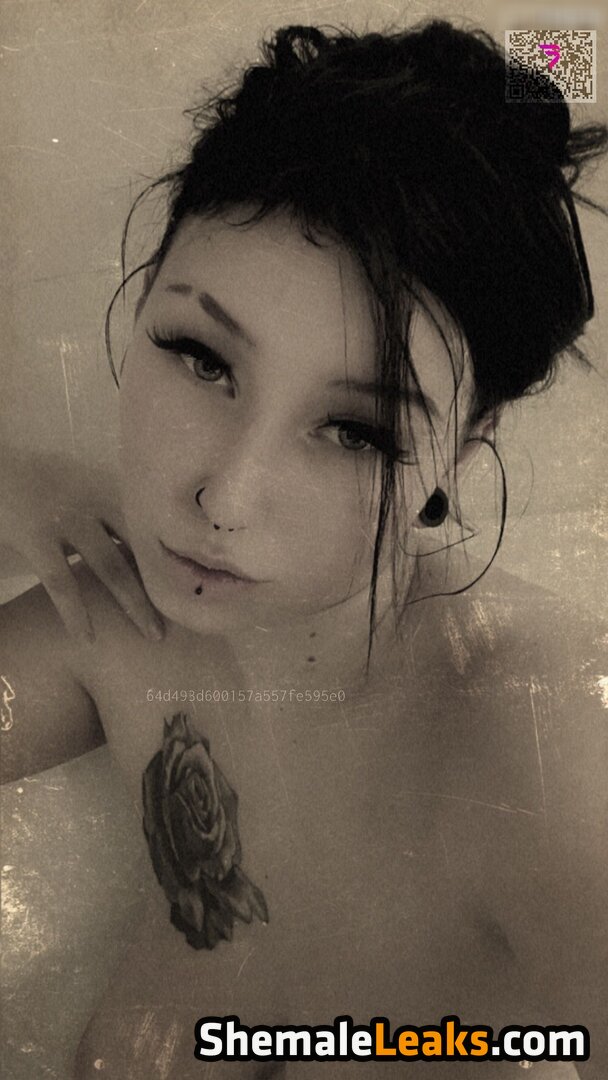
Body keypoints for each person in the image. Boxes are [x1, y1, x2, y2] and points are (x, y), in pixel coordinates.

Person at [1, 17, 607, 1079]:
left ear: (461, 454)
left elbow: (583, 45)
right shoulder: (117, 622)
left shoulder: (541, 739)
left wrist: (543, 62)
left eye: (355, 430)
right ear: (139, 301)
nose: (224, 497)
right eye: (200, 357)